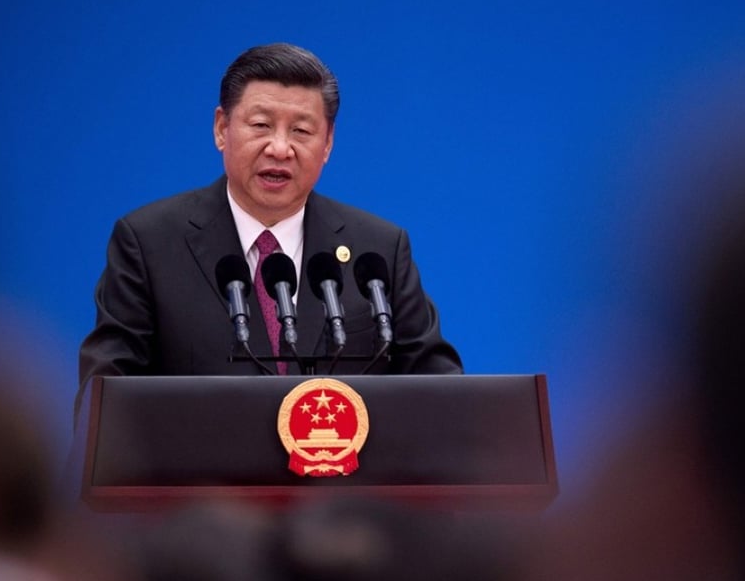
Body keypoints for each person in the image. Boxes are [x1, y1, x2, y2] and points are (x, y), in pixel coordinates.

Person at [77, 43, 462, 401]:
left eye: (301, 131)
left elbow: (441, 393)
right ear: (220, 128)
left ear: (327, 143)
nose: (280, 148)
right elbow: (108, 399)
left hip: (344, 474)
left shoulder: (378, 249)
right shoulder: (149, 243)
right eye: (261, 125)